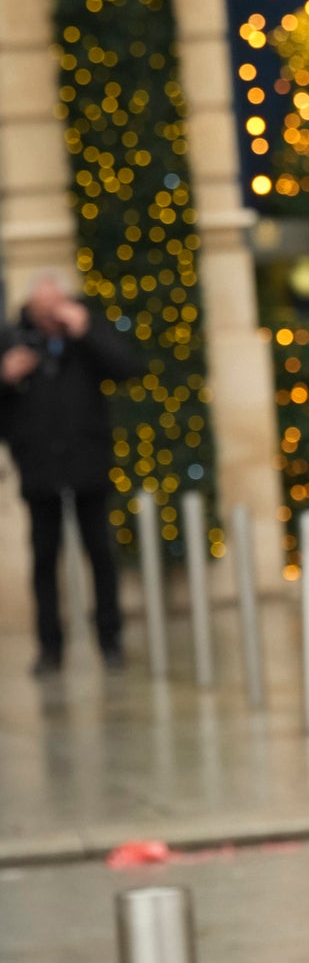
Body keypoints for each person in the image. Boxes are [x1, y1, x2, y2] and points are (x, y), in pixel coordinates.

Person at [0, 274, 140, 673]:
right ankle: (49, 647)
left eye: (55, 306)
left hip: (87, 464)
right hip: (39, 466)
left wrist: (86, 331)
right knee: (44, 558)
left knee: (100, 553)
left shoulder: (86, 333)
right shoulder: (12, 340)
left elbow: (126, 368)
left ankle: (110, 640)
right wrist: (6, 376)